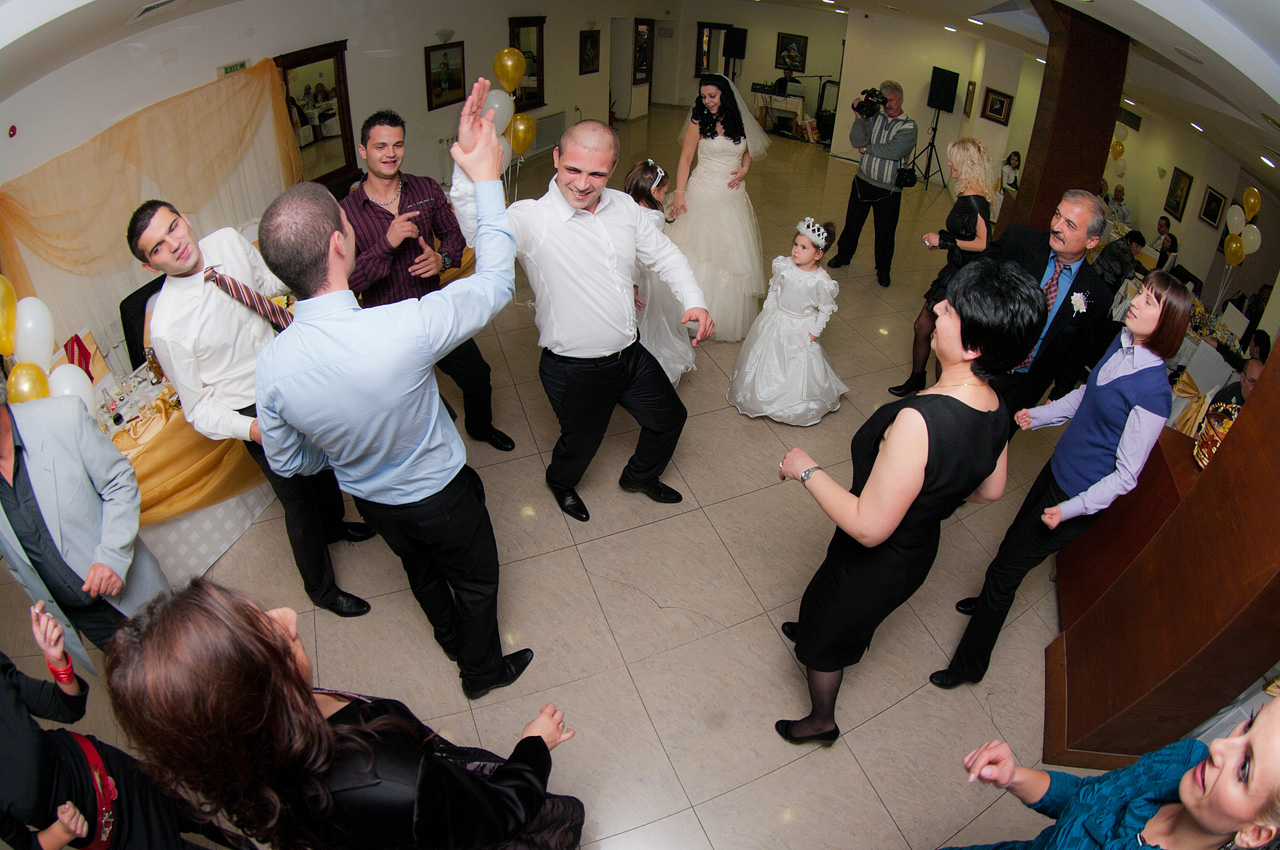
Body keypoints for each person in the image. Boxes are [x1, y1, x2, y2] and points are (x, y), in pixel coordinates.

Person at [254, 80, 532, 701]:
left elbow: (291, 462)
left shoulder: (271, 368)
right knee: (477, 580)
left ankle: (449, 638)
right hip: (439, 494)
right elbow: (496, 284)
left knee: (419, 570)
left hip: (374, 504)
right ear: (339, 242)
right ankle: (480, 672)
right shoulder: (403, 328)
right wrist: (487, 178)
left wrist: (347, 446)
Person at [773, 259, 1046, 744]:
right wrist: (931, 496)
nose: (937, 308)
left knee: (829, 636)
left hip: (874, 560)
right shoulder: (995, 405)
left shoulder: (920, 421)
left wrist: (805, 469)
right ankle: (820, 628)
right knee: (834, 610)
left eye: (951, 309)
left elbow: (868, 527)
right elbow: (991, 489)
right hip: (915, 551)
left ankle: (821, 721)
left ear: (974, 346)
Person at [105, 579, 585, 850]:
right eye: (273, 638)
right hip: (455, 811)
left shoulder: (244, 745)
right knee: (563, 819)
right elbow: (497, 816)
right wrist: (534, 746)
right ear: (254, 695)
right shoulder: (388, 777)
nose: (287, 615)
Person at [450, 85, 713, 525]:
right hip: (575, 368)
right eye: (573, 169)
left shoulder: (625, 208)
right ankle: (560, 482)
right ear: (556, 157)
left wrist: (696, 300)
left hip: (629, 354)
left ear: (612, 170)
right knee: (581, 445)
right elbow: (480, 231)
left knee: (670, 417)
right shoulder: (531, 218)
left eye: (597, 174)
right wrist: (467, 166)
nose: (582, 183)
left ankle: (640, 476)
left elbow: (665, 256)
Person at [932, 269, 1192, 689]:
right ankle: (984, 605)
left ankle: (968, 666)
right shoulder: (1121, 341)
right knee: (1011, 544)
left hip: (1075, 497)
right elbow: (1087, 395)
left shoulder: (1154, 394)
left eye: (1149, 301)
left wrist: (1070, 510)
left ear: (1167, 324)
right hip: (1058, 470)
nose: (1135, 301)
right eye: (1141, 292)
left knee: (1005, 572)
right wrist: (1039, 416)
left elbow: (1126, 476)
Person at [129, 200, 375, 619]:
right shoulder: (167, 327)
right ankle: (321, 589)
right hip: (251, 408)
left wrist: (313, 272)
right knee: (296, 500)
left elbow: (265, 282)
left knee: (324, 463)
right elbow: (198, 408)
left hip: (289, 367)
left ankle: (335, 526)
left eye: (172, 227)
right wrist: (252, 429)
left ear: (185, 217)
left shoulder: (227, 240)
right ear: (150, 266)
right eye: (157, 248)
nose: (174, 244)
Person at [341, 109, 513, 453]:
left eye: (398, 145)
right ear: (363, 151)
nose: (391, 154)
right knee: (402, 401)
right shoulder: (346, 212)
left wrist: (442, 260)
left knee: (477, 375)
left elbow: (454, 234)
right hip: (386, 327)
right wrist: (387, 243)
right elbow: (349, 281)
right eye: (380, 146)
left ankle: (480, 427)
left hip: (434, 312)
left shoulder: (425, 188)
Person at [3, 601, 240, 850]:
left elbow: (68, 708)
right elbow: (25, 844)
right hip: (100, 826)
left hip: (102, 766)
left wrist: (58, 661)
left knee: (177, 807)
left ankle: (233, 839)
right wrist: (61, 832)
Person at [941, 698, 1280, 849]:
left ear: (1255, 833)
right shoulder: (1185, 759)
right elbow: (1087, 796)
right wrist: (1013, 776)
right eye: (1248, 725)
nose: (1219, 746)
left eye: (1245, 768)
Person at [0, 392, 167, 672]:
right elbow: (15, 560)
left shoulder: (62, 416)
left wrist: (112, 556)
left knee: (192, 671)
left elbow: (119, 483)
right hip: (88, 621)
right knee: (144, 689)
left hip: (133, 592)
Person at [982, 189, 1112, 426]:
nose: (1057, 226)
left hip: (1023, 386)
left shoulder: (1096, 294)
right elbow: (977, 280)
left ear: (1091, 241)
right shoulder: (1019, 240)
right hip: (982, 360)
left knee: (995, 441)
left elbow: (1077, 351)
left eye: (1070, 225)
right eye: (1057, 215)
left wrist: (1058, 394)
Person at [665, 73, 770, 341]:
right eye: (703, 96)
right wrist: (680, 194)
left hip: (732, 195)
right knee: (697, 249)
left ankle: (721, 316)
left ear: (725, 94)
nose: (708, 101)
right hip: (702, 190)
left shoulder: (740, 120)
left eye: (712, 95)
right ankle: (689, 309)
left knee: (730, 254)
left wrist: (745, 168)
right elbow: (686, 158)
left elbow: (751, 148)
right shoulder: (698, 120)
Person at [890, 138, 995, 396]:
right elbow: (966, 236)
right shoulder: (966, 195)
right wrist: (944, 243)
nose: (948, 163)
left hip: (963, 280)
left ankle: (940, 394)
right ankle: (917, 379)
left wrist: (945, 241)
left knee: (942, 338)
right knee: (922, 328)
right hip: (955, 271)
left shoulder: (974, 200)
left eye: (954, 159)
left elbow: (983, 243)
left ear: (967, 164)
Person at [727, 217, 848, 426]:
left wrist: (815, 331)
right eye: (795, 244)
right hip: (778, 318)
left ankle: (793, 401)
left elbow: (825, 309)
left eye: (804, 247)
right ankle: (762, 392)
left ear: (818, 254)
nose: (796, 250)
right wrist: (768, 309)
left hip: (801, 325)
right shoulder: (783, 266)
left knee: (795, 363)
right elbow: (774, 289)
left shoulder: (821, 281)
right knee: (768, 356)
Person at [827, 80, 918, 288]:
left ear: (901, 100)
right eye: (884, 100)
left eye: (891, 100)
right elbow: (856, 141)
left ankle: (883, 270)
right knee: (852, 223)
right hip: (863, 182)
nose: (887, 105)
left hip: (889, 190)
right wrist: (859, 118)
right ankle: (843, 255)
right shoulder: (874, 117)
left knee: (885, 232)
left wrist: (868, 149)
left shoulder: (909, 126)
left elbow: (895, 150)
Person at [624, 158, 696, 385]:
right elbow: (639, 258)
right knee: (651, 317)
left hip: (628, 275)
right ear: (653, 191)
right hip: (645, 278)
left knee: (635, 319)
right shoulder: (653, 217)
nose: (664, 196)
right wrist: (635, 285)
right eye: (664, 192)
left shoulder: (627, 209)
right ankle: (649, 362)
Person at [1092, 229, 1146, 294]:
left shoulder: (1123, 244)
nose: (1138, 250)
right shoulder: (1122, 249)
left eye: (1140, 248)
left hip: (1103, 274)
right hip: (1101, 276)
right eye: (1137, 246)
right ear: (1129, 241)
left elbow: (1133, 263)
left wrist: (1146, 272)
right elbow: (1130, 274)